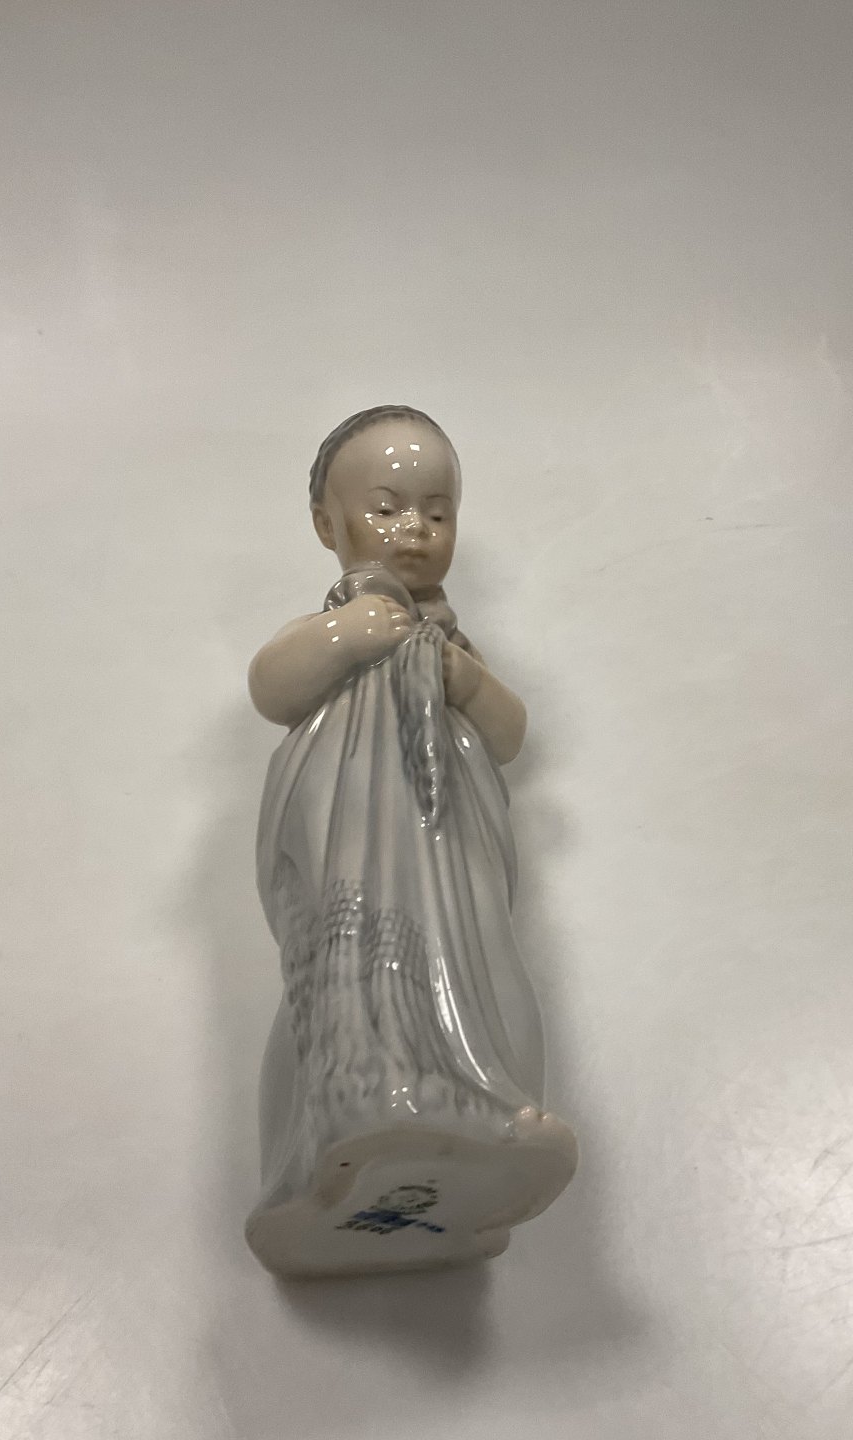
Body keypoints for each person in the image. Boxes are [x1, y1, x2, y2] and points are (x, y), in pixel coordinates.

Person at [245, 406, 576, 1277]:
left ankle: (483, 1115)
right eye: (387, 507)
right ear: (327, 524)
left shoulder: (451, 644)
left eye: (438, 511)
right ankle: (343, 1141)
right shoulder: (339, 628)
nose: (416, 530)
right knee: (358, 962)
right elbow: (271, 688)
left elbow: (510, 735)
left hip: (446, 843)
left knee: (479, 964)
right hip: (357, 835)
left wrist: (466, 681)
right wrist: (340, 637)